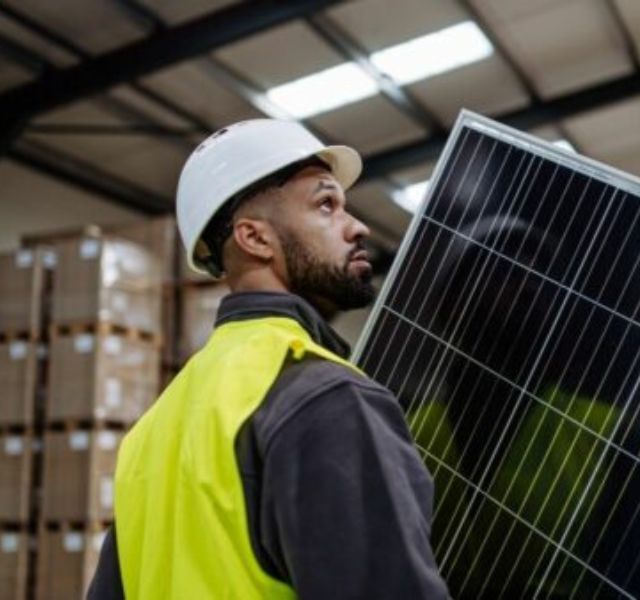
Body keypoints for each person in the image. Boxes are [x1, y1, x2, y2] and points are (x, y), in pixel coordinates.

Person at [87, 119, 449, 599]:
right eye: (326, 205)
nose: (356, 225)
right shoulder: (326, 397)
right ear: (255, 239)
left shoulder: (151, 433)